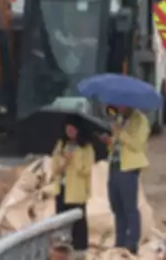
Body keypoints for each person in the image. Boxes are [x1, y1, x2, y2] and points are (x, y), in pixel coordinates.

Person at [101, 104, 150, 251]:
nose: (118, 107)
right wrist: (109, 141)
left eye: (121, 105)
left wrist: (119, 133)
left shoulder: (140, 120)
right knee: (116, 205)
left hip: (128, 167)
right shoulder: (120, 120)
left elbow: (137, 144)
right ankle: (120, 241)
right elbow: (117, 145)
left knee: (129, 206)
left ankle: (132, 243)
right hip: (115, 165)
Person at [50, 120, 94, 253]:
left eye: (72, 130)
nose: (70, 133)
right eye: (67, 130)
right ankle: (63, 248)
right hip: (62, 187)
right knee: (61, 219)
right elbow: (54, 167)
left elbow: (86, 170)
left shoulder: (86, 148)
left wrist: (74, 159)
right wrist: (64, 160)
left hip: (77, 189)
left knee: (78, 222)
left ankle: (80, 249)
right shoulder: (61, 145)